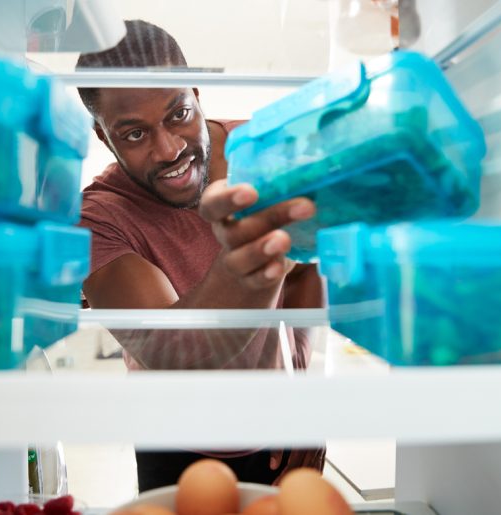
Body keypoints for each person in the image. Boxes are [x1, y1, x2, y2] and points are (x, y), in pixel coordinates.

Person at [76, 19, 325, 492]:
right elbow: (174, 355)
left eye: (177, 115)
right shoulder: (98, 219)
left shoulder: (262, 151)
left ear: (195, 91)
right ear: (104, 137)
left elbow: (303, 274)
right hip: (173, 445)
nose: (168, 149)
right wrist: (243, 264)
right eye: (133, 134)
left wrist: (301, 397)